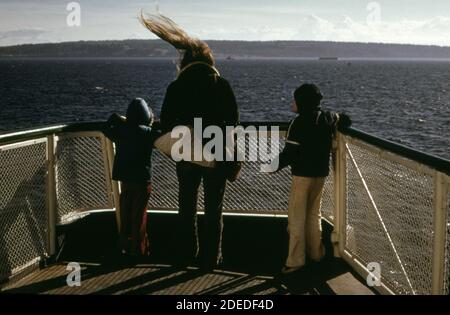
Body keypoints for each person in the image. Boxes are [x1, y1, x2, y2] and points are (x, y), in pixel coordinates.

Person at [140, 14, 239, 270]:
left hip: (187, 154)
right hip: (216, 153)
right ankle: (210, 260)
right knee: (214, 210)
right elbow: (233, 120)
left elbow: (167, 122)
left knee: (186, 207)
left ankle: (186, 255)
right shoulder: (221, 85)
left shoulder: (177, 87)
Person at [265, 83, 351, 274]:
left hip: (302, 175)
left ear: (302, 102)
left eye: (295, 99)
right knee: (314, 215)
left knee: (296, 218)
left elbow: (289, 153)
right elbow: (344, 119)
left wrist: (270, 167)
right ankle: (317, 254)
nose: (292, 102)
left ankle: (295, 261)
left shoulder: (299, 122)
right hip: (320, 174)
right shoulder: (327, 117)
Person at [103, 98, 161, 257]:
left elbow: (106, 128)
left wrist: (116, 117)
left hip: (126, 181)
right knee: (139, 217)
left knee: (126, 216)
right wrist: (154, 123)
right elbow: (163, 133)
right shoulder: (148, 134)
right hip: (142, 182)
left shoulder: (121, 131)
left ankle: (124, 248)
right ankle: (139, 251)